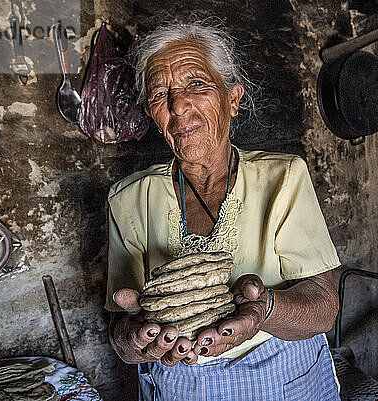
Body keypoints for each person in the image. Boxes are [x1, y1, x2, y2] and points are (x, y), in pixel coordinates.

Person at [106, 21, 342, 401]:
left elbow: (323, 306)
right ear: (152, 115)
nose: (178, 105)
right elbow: (121, 326)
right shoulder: (128, 199)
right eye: (159, 94)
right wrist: (135, 342)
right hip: (181, 382)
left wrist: (264, 310)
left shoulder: (282, 178)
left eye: (196, 84)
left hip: (281, 377)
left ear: (232, 100)